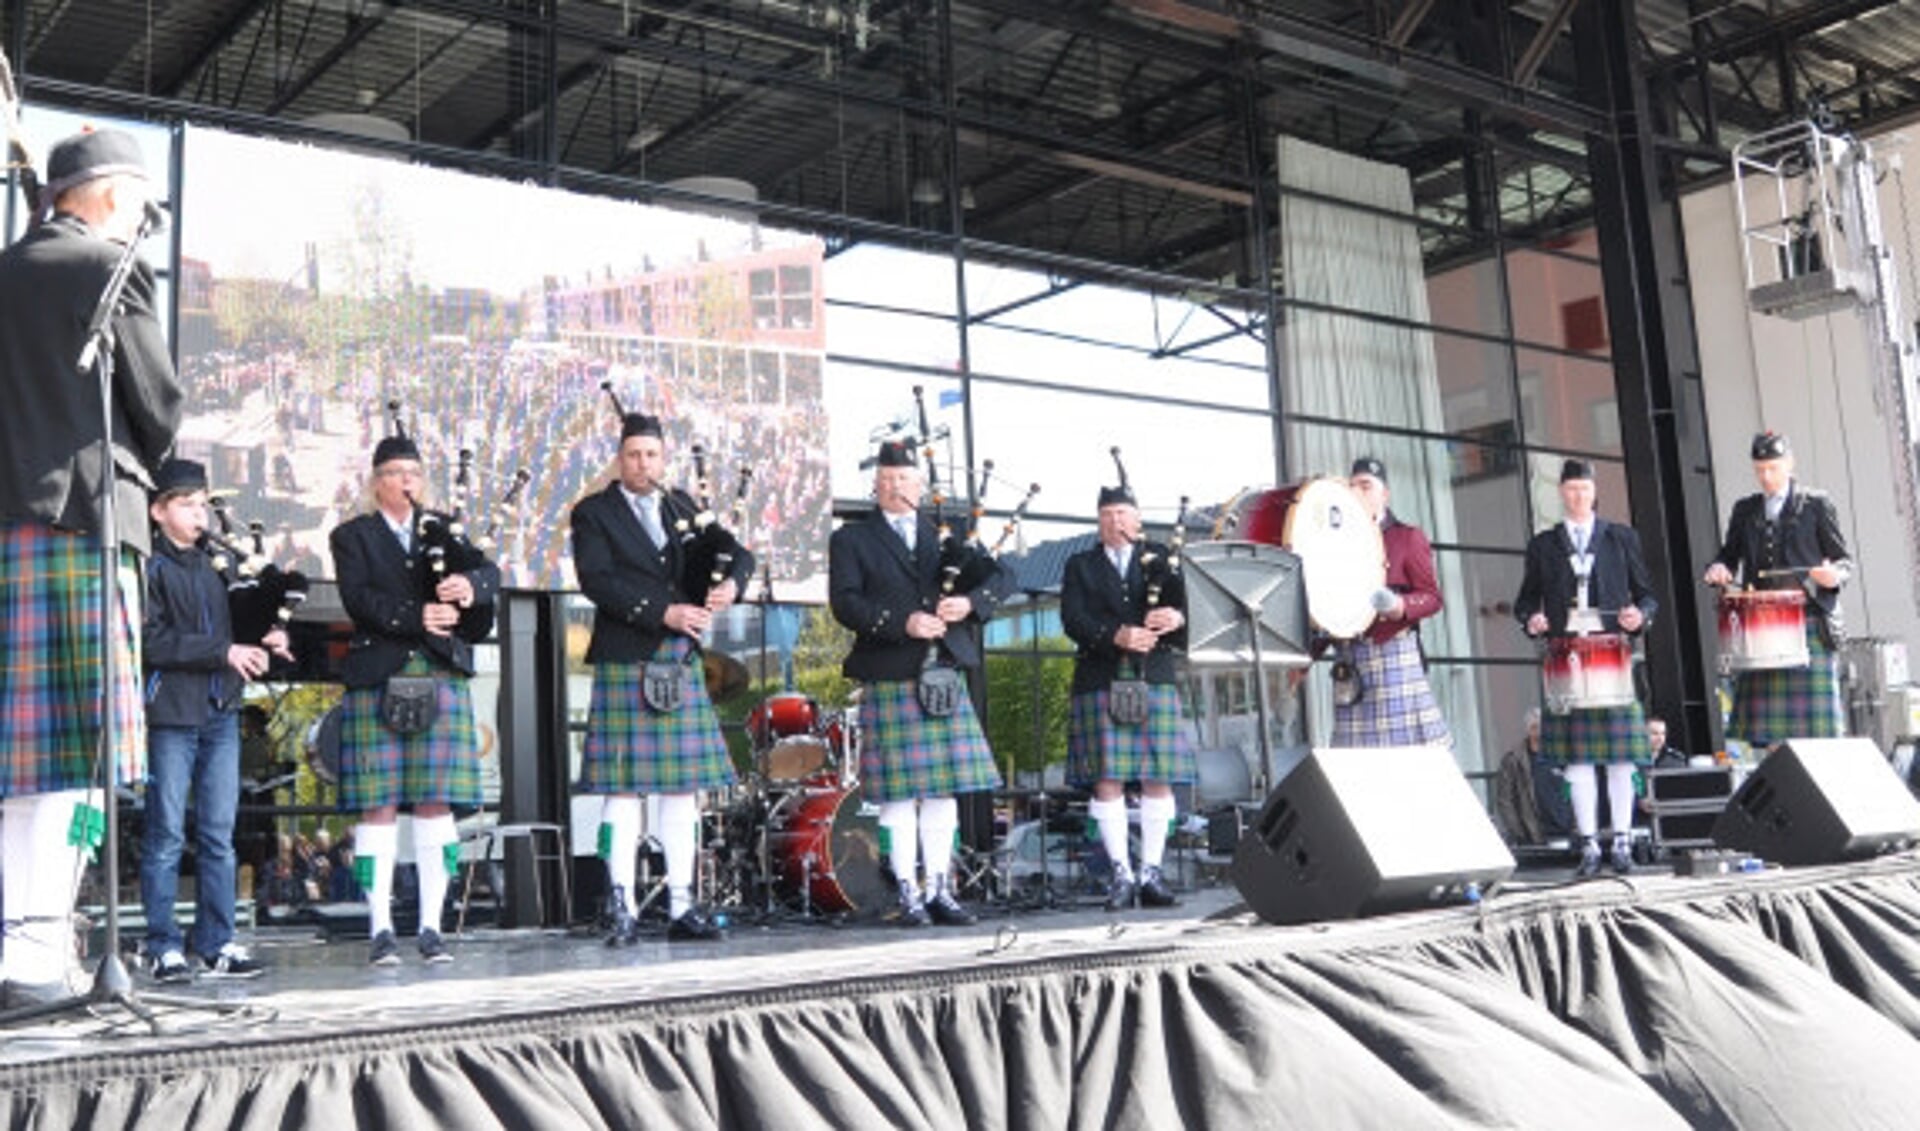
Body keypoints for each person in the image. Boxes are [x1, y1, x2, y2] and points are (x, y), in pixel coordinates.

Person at [0, 128, 185, 1005]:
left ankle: (19, 950)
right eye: (144, 200)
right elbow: (158, 406)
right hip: (81, 522)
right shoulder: (107, 270)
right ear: (112, 196)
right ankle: (43, 954)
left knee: (16, 766)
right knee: (78, 758)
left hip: (6, 530)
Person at [570, 410, 750, 944]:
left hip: (678, 657)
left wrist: (731, 586)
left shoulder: (681, 506)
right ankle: (620, 905)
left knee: (681, 792)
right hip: (629, 653)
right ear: (619, 459)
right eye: (633, 455)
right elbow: (596, 580)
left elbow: (736, 552)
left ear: (662, 459)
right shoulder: (594, 512)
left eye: (651, 455)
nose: (643, 463)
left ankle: (681, 907)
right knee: (622, 791)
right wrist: (663, 613)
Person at [330, 426, 499, 966]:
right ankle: (379, 926)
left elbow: (487, 581)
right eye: (395, 474)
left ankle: (432, 925)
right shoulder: (352, 535)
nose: (406, 482)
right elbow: (360, 600)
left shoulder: (442, 531)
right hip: (379, 673)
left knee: (436, 805)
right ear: (377, 483)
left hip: (439, 673)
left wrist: (468, 593)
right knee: (376, 808)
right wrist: (417, 616)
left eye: (413, 474)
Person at [829, 440, 1012, 927]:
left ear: (919, 485)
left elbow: (1001, 578)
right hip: (890, 669)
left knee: (942, 793)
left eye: (905, 480)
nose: (896, 488)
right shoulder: (852, 539)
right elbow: (845, 603)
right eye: (887, 481)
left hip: (943, 674)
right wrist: (902, 622)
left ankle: (939, 890)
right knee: (898, 795)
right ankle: (906, 892)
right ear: (875, 486)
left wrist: (970, 605)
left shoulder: (943, 535)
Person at [139, 458, 285, 983]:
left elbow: (246, 623)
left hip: (220, 712)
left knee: (220, 835)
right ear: (158, 511)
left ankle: (217, 943)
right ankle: (162, 946)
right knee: (166, 834)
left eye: (202, 503)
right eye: (186, 504)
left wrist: (272, 635)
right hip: (171, 716)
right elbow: (150, 641)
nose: (199, 514)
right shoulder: (148, 567)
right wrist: (223, 651)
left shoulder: (219, 567)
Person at [1060, 470, 1195, 911]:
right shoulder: (1080, 565)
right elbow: (1072, 620)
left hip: (1152, 676)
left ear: (1137, 520)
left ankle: (1151, 872)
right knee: (1108, 779)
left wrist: (1176, 618)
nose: (1114, 521)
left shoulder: (1162, 558)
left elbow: (1190, 608)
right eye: (1106, 514)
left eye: (1122, 513)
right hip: (1100, 678)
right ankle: (1121, 872)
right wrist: (1115, 634)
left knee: (1159, 776)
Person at [1515, 458, 1658, 876]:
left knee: (1619, 760)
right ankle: (1591, 845)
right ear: (1561, 492)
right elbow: (1526, 602)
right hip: (1566, 656)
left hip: (1611, 653)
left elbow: (1648, 597)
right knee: (1577, 761)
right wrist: (1532, 621)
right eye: (1571, 489)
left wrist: (1639, 617)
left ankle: (1623, 841)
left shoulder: (1620, 538)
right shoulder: (1545, 545)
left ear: (1594, 492)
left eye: (1584, 489)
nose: (1578, 496)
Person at [1703, 430, 1850, 750]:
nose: (1766, 477)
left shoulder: (1816, 504)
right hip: (1762, 628)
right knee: (1771, 735)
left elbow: (1843, 562)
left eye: (1772, 468)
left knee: (1817, 736)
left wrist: (1833, 576)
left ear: (1789, 464)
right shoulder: (1745, 509)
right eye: (1759, 470)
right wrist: (1719, 569)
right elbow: (1728, 556)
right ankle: (1781, 791)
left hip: (1808, 620)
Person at [1333, 457, 1450, 747]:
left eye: (1366, 486)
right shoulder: (1336, 544)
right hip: (1350, 660)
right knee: (1357, 767)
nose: (1358, 493)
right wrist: (1305, 658)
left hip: (1393, 654)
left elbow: (1433, 598)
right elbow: (1329, 606)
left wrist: (1400, 605)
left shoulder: (1407, 537)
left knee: (1407, 762)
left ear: (1384, 494)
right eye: (1352, 487)